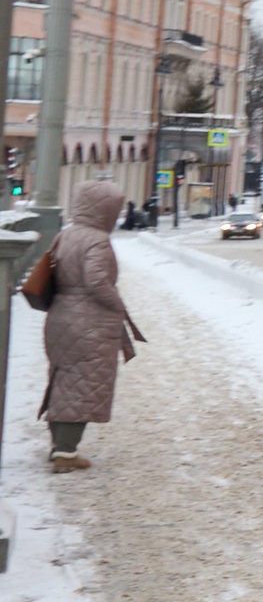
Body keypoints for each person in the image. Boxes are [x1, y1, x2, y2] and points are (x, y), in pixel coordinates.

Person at [39, 179, 145, 472]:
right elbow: (96, 280)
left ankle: (59, 446)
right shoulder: (97, 239)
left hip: (60, 315)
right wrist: (116, 303)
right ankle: (66, 453)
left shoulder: (66, 234)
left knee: (63, 381)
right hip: (88, 322)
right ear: (105, 209)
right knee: (84, 387)